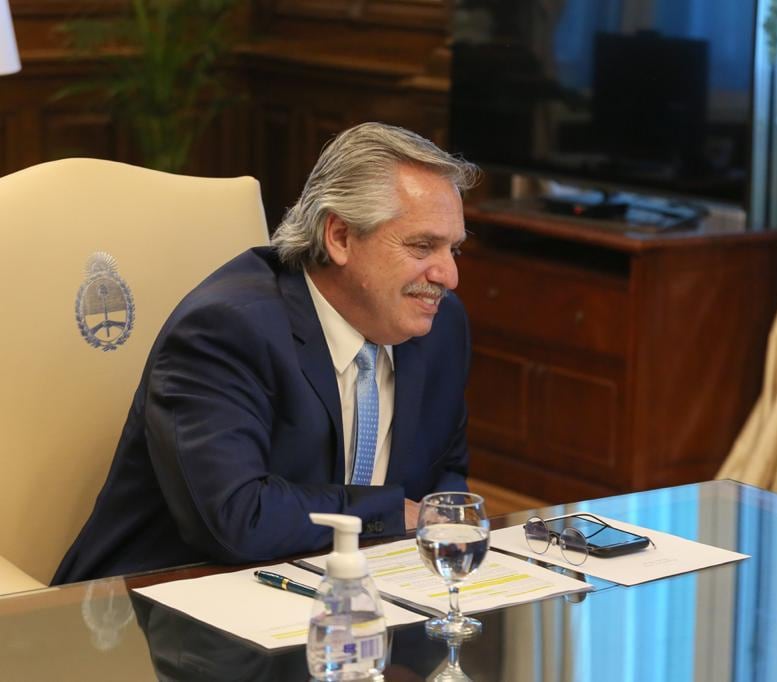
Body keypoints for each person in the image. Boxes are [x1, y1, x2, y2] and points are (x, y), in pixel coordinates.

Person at [53, 123, 480, 583]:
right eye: (422, 246)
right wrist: (393, 513)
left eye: (453, 248)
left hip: (345, 604)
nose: (449, 275)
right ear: (339, 236)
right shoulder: (225, 330)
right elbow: (237, 518)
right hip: (155, 610)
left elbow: (445, 477)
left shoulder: (441, 327)